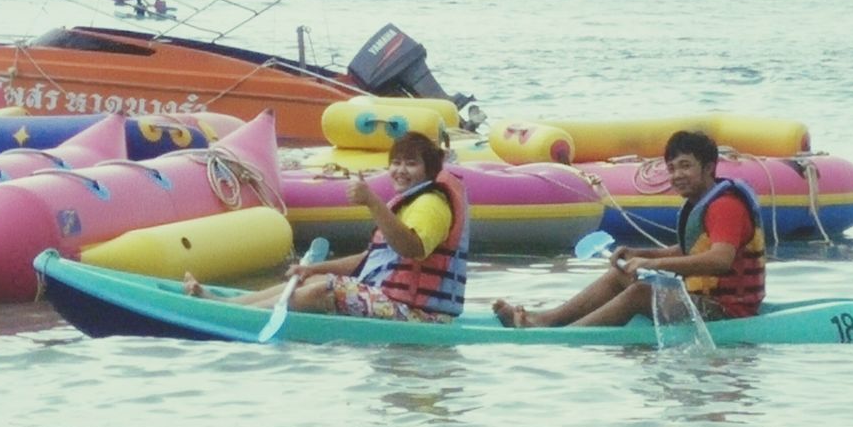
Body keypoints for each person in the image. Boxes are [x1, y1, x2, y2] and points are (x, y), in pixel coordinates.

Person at [183, 132, 469, 322]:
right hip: (395, 300)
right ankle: (222, 305)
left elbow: (413, 249)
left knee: (320, 292)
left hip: (421, 314)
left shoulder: (431, 204)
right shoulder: (409, 203)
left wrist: (372, 202)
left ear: (428, 170)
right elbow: (369, 260)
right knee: (309, 281)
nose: (400, 170)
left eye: (411, 164)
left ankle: (233, 318)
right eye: (395, 163)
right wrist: (314, 268)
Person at [493, 130, 766, 328]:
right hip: (702, 297)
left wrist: (650, 264)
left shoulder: (725, 206)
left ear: (708, 168)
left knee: (641, 293)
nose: (677, 175)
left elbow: (720, 260)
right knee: (620, 274)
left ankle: (568, 336)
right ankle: (546, 321)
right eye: (671, 169)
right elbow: (688, 250)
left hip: (729, 312)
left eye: (685, 166)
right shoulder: (702, 203)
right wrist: (640, 252)